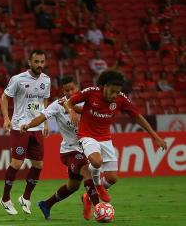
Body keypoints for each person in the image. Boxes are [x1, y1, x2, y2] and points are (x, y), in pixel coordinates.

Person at [64, 70, 168, 202]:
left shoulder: (121, 99)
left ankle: (88, 197)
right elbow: (68, 102)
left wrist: (156, 137)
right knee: (96, 161)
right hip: (87, 135)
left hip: (105, 138)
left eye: (117, 92)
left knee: (112, 178)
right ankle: (98, 186)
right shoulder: (91, 92)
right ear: (104, 86)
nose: (115, 95)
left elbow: (138, 117)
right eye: (112, 91)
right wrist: (71, 111)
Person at [20, 76, 100, 220]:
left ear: (78, 87)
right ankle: (99, 209)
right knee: (87, 173)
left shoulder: (86, 101)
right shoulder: (57, 105)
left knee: (73, 186)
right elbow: (42, 117)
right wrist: (28, 125)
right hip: (69, 151)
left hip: (86, 148)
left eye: (72, 89)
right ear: (63, 90)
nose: (70, 92)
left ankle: (46, 204)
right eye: (66, 90)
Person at [0, 49, 51, 215]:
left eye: (42, 62)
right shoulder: (18, 79)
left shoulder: (46, 80)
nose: (39, 65)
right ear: (30, 62)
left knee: (38, 165)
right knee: (17, 163)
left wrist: (46, 121)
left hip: (37, 127)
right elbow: (4, 97)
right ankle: (5, 198)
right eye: (36, 62)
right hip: (19, 126)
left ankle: (25, 197)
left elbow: (44, 100)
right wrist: (6, 118)